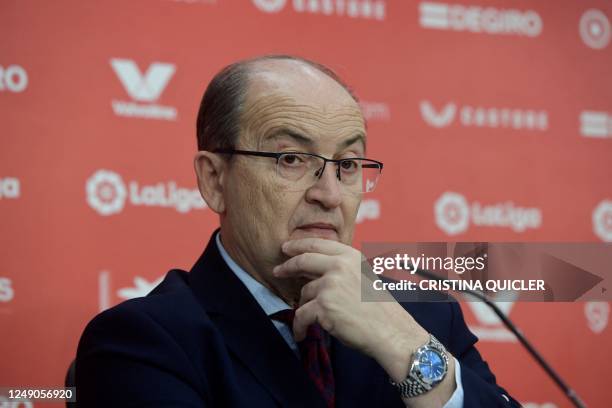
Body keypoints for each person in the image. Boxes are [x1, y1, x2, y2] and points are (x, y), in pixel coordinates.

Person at [75, 55, 520, 407]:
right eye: (291, 159)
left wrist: (405, 348)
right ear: (214, 180)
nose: (329, 194)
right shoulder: (143, 342)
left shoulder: (421, 319)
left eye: (347, 166)